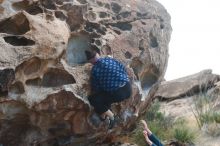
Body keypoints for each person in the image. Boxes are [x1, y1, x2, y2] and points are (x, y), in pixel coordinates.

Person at [85, 50, 132, 129]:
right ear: (98, 54)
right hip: (128, 88)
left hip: (118, 93)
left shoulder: (95, 70)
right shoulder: (110, 59)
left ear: (90, 61)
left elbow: (96, 88)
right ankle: (103, 118)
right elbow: (123, 68)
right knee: (106, 98)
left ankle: (113, 118)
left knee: (94, 99)